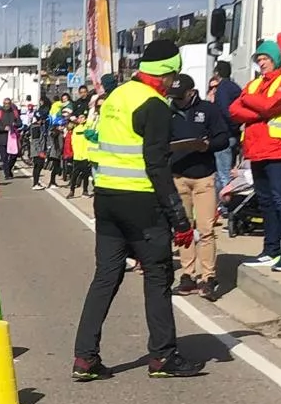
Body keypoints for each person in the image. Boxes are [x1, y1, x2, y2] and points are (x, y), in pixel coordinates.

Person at [72, 39, 202, 381]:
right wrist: (180, 219)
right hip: (142, 203)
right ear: (166, 75)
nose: (174, 82)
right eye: (173, 76)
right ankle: (162, 356)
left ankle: (84, 358)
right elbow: (157, 166)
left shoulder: (117, 96)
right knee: (158, 276)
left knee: (106, 276)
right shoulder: (155, 106)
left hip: (107, 198)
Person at [229, 40, 281, 271]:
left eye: (265, 59)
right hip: (256, 150)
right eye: (258, 60)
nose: (261, 64)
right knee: (266, 202)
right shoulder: (255, 83)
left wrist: (250, 102)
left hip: (277, 149)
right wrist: (258, 110)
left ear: (275, 59)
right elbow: (233, 110)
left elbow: (271, 105)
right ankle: (270, 249)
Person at [169, 73, 229, 300]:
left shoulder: (208, 110)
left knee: (205, 228)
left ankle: (208, 277)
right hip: (178, 176)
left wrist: (207, 145)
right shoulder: (169, 112)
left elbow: (223, 137)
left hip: (204, 176)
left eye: (180, 96)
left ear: (191, 92)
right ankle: (187, 274)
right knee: (183, 229)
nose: (177, 101)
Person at [209, 59, 242, 199]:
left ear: (217, 73)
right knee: (229, 171)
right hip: (234, 135)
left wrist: (231, 125)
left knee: (223, 174)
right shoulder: (235, 87)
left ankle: (226, 205)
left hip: (225, 135)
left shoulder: (222, 89)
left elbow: (224, 110)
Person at [67, 113, 94, 199]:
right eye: (79, 117)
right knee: (74, 175)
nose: (80, 119)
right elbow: (73, 142)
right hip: (77, 156)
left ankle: (85, 191)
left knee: (85, 175)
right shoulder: (76, 129)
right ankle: (72, 191)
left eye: (82, 117)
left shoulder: (88, 128)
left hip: (86, 155)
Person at [0, 98, 21, 181]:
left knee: (14, 155)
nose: (7, 105)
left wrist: (15, 124)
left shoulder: (14, 112)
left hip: (13, 138)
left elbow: (20, 123)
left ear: (10, 104)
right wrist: (3, 128)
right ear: (3, 103)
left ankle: (9, 169)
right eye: (5, 103)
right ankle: (7, 174)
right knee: (4, 157)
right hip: (3, 138)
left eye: (8, 103)